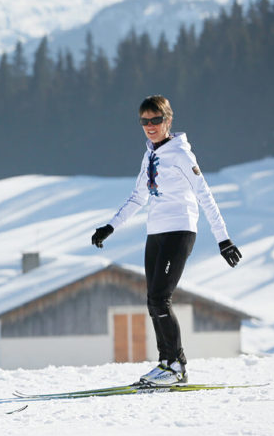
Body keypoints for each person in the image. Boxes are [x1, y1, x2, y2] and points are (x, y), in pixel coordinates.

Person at [91, 95, 242, 386]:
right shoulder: (150, 154)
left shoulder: (182, 155)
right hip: (155, 232)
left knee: (161, 298)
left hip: (180, 230)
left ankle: (176, 366)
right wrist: (110, 227)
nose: (150, 126)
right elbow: (138, 196)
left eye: (155, 120)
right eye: (144, 121)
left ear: (168, 120)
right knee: (153, 300)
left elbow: (205, 195)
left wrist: (224, 239)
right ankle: (165, 363)